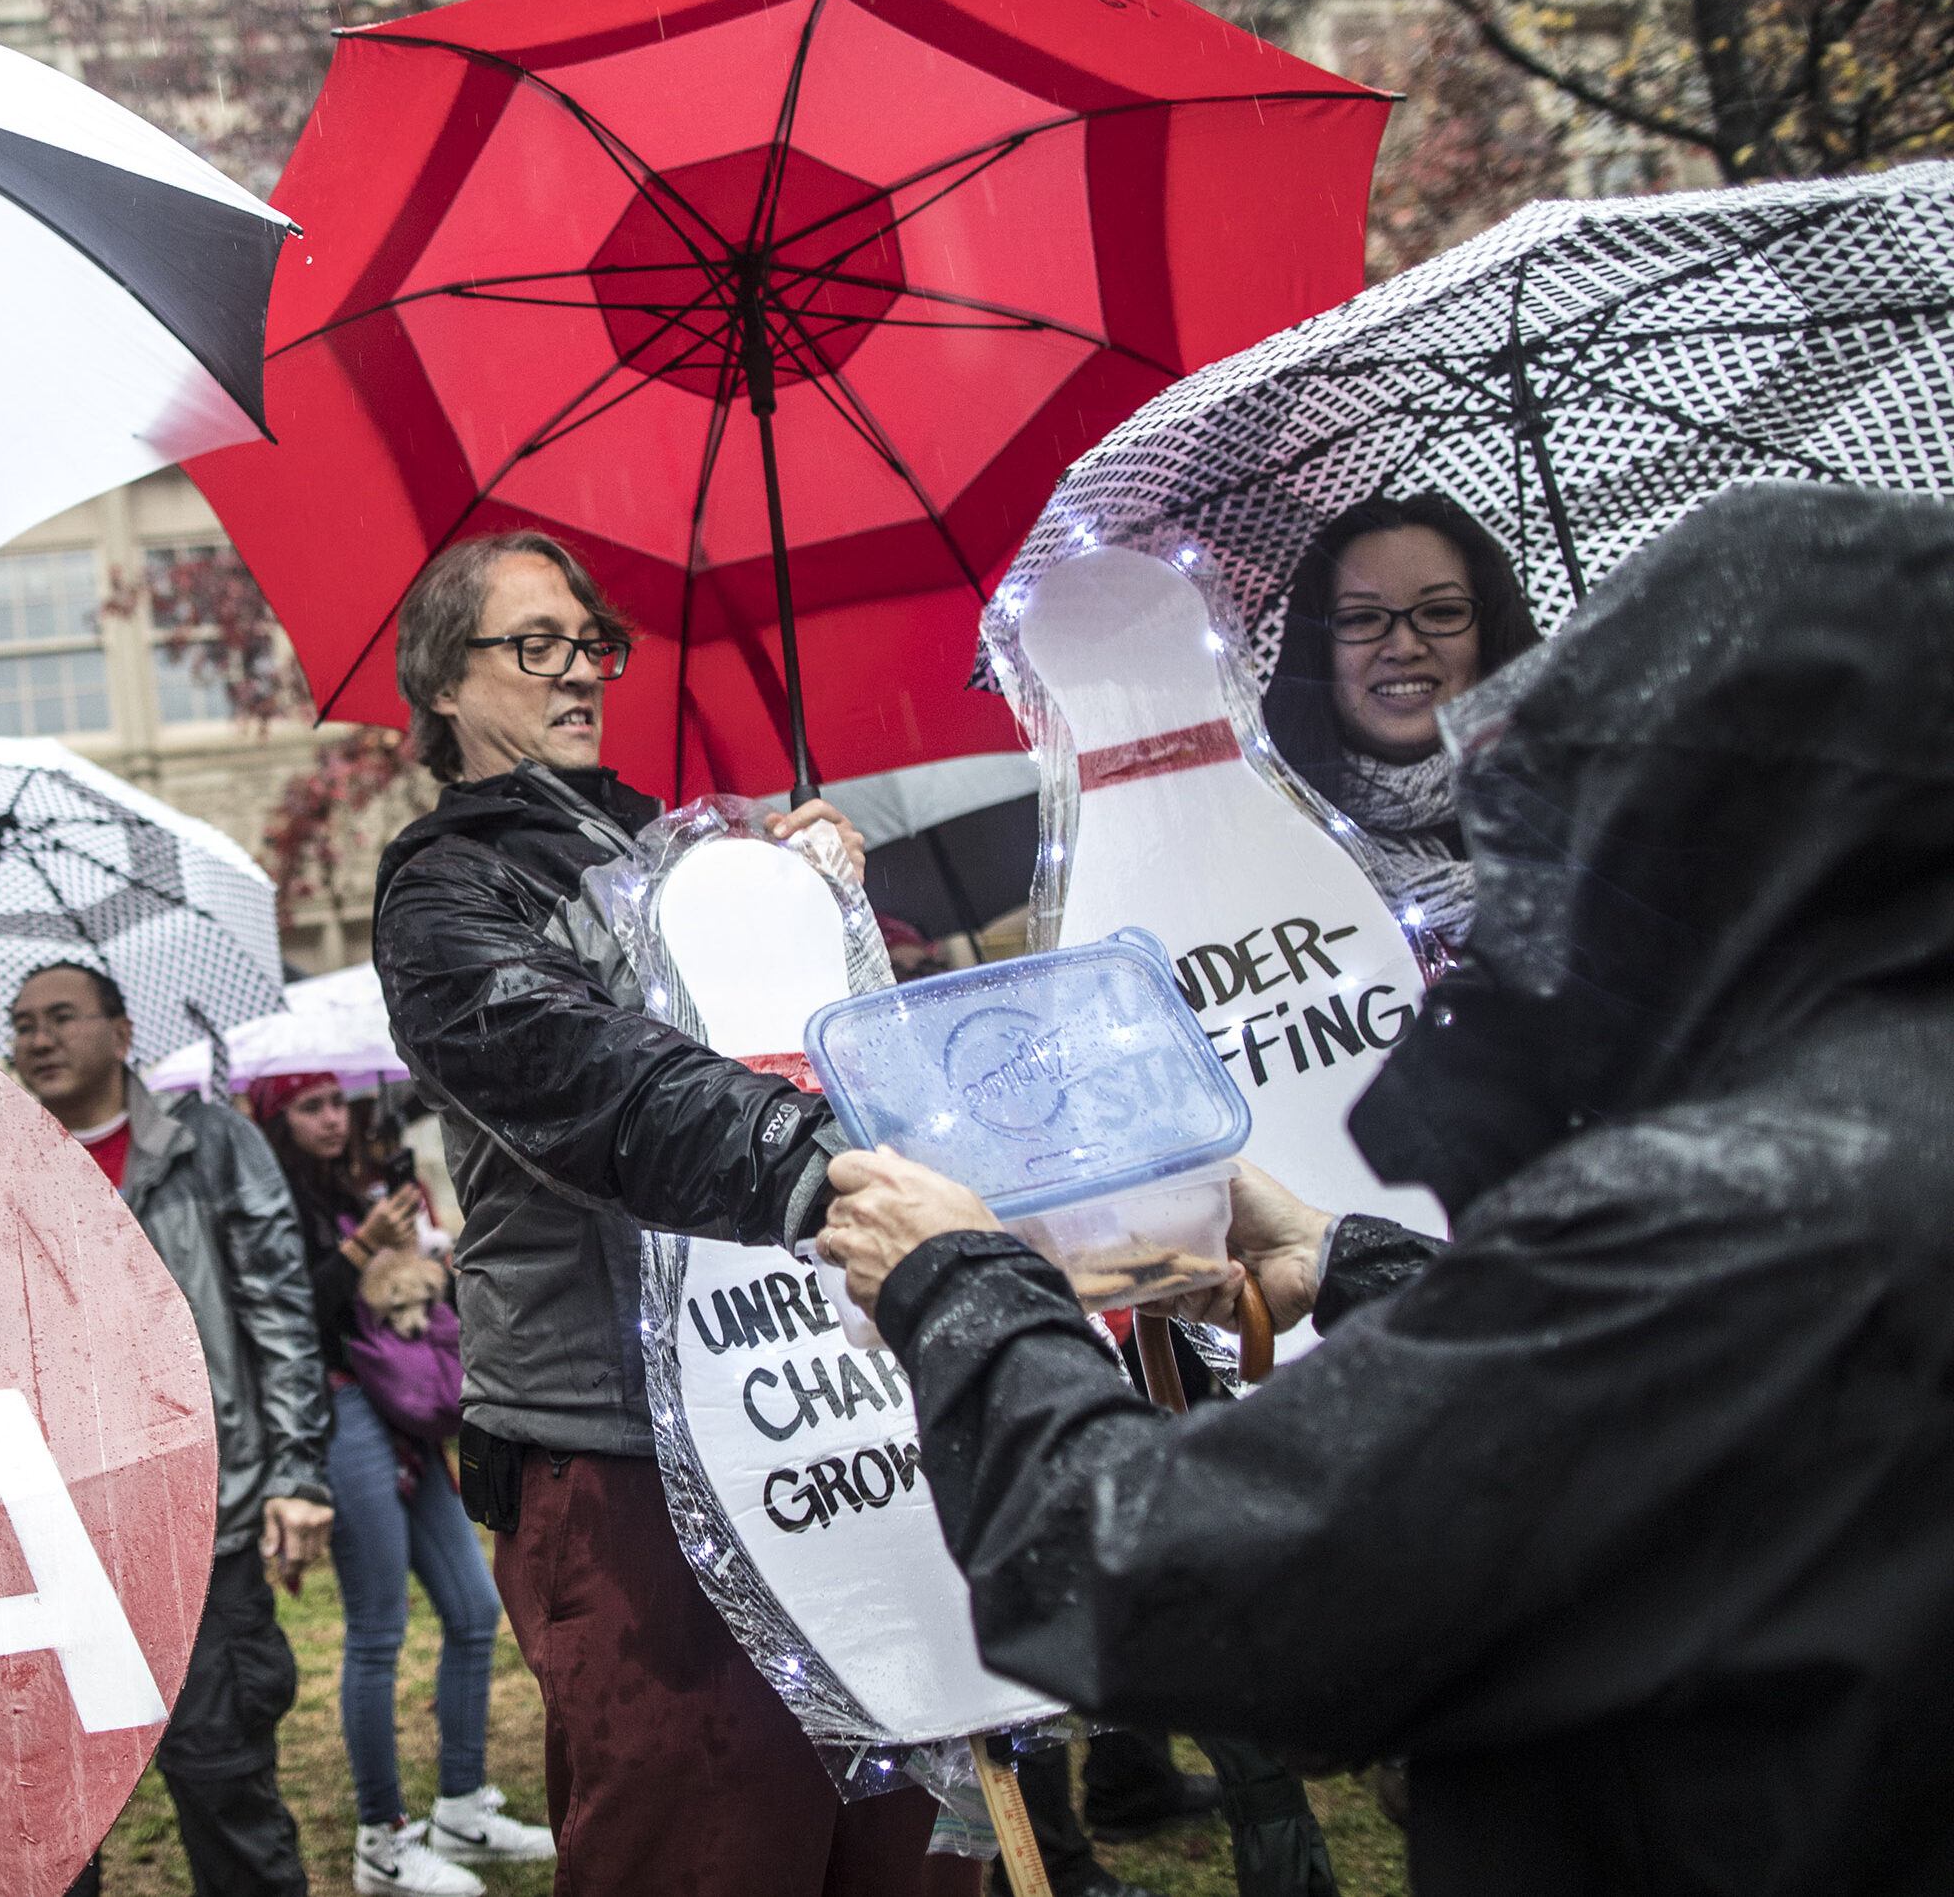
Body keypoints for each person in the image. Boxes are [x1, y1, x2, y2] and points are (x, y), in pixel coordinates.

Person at [817, 485, 1954, 1894]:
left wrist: (958, 1278)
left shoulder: (1732, 1199)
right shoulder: (1869, 1124)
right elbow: (1609, 1397)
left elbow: (1165, 1576)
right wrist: (1345, 1251)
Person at [371, 531, 936, 1895]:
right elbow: (595, 1082)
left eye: (593, 643)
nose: (580, 670)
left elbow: (850, 1054)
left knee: (900, 1824)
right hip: (619, 1451)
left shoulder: (696, 850)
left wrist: (810, 907)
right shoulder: (445, 893)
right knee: (708, 1830)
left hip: (820, 1403)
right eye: (536, 644)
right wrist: (826, 1163)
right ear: (443, 681)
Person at [12, 964, 333, 1897]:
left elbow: (278, 1313)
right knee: (44, 1820)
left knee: (224, 1780)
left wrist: (296, 1474)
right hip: (51, 1535)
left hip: (199, 1525)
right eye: (22, 1023)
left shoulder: (209, 1143)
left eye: (61, 1017)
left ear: (121, 1033)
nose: (38, 1038)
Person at [250, 1072, 553, 1896]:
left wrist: (428, 1256)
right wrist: (360, 1249)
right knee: (379, 1626)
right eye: (308, 1106)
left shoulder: (364, 1187)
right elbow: (289, 1318)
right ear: (277, 1119)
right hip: (339, 1410)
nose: (330, 1118)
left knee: (473, 1608)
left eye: (334, 1102)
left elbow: (414, 1303)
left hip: (404, 1408)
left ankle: (461, 1805)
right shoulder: (271, 1201)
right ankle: (381, 1840)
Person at [1259, 494, 1541, 946]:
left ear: (1488, 631)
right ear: (1318, 649)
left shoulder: (1595, 814)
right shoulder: (1262, 846)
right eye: (1362, 618)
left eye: (1442, 612)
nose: (1404, 647)